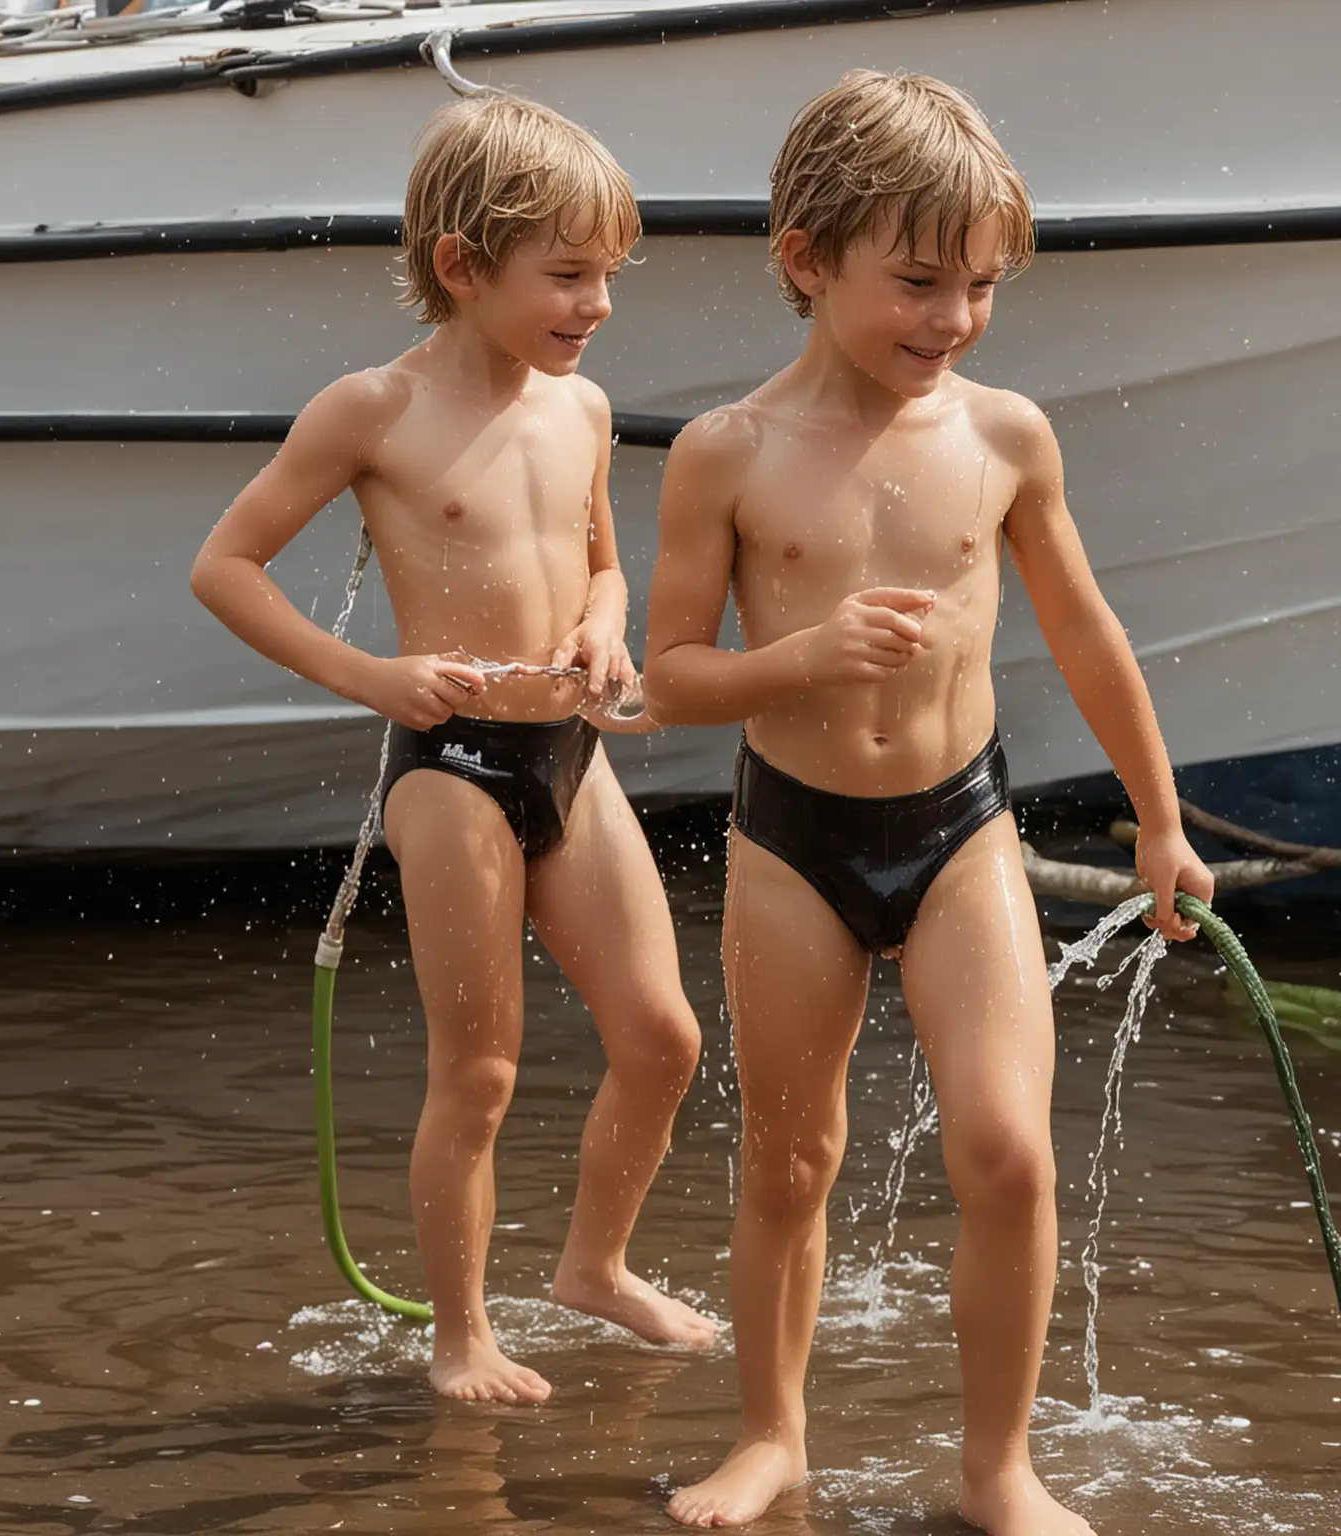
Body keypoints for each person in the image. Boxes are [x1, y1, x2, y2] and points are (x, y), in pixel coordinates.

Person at [643, 69, 1214, 1533]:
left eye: (978, 289)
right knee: (790, 1155)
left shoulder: (1007, 437)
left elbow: (1083, 629)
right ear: (804, 259)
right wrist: (802, 654)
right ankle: (773, 1435)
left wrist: (1159, 818)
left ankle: (999, 1468)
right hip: (794, 844)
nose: (950, 320)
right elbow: (673, 678)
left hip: (963, 833)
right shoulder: (728, 453)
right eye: (915, 283)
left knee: (1009, 1152)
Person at [191, 92, 714, 1406]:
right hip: (454, 774)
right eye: (570, 274)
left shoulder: (579, 407)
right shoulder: (372, 410)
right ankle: (462, 1331)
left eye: (609, 276)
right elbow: (226, 566)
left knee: (664, 1036)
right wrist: (372, 673)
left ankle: (595, 1268)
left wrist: (606, 633)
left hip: (568, 757)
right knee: (479, 1068)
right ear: (463, 269)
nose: (597, 303)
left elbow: (600, 562)